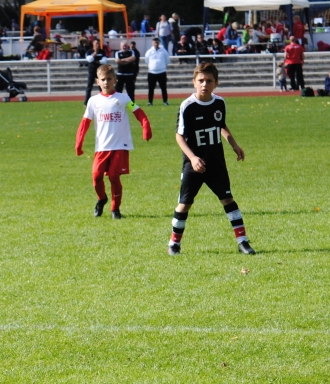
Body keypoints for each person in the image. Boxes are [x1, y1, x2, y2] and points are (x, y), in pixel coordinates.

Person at [168, 63, 255, 256]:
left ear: (216, 83)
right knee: (185, 203)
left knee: (228, 199)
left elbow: (221, 125)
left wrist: (234, 144)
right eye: (201, 80)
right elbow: (179, 136)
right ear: (194, 82)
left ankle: (242, 242)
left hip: (216, 162)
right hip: (194, 165)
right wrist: (192, 158)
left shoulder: (219, 103)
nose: (204, 84)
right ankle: (174, 244)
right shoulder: (187, 106)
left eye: (209, 81)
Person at [76, 64, 152, 219]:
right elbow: (85, 123)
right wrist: (79, 142)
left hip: (120, 146)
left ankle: (115, 209)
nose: (106, 82)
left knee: (113, 176)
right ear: (97, 81)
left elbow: (138, 112)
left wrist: (146, 127)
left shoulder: (123, 99)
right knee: (96, 177)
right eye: (103, 79)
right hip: (102, 147)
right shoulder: (93, 101)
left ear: (115, 80)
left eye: (109, 79)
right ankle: (102, 198)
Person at [144, 37, 169, 105]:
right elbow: (146, 60)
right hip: (152, 72)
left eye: (157, 42)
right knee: (151, 88)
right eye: (155, 42)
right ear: (152, 43)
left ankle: (165, 101)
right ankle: (150, 102)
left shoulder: (163, 51)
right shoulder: (149, 52)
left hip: (162, 72)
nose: (156, 44)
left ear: (159, 43)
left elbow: (167, 60)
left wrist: (161, 66)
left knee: (163, 88)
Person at [83, 39, 107, 104]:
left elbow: (104, 61)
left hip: (100, 72)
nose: (98, 45)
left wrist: (98, 61)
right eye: (96, 43)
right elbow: (89, 59)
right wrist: (95, 53)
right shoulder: (89, 51)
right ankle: (86, 102)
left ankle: (104, 100)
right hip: (92, 71)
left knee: (101, 87)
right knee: (89, 87)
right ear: (93, 44)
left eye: (98, 43)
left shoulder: (102, 51)